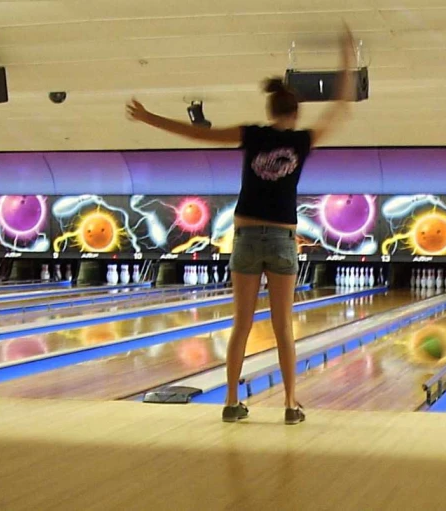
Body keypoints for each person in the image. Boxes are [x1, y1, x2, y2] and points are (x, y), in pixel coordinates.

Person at [126, 25, 356, 425]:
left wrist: (149, 118)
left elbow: (198, 134)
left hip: (246, 235)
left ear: (270, 112)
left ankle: (231, 402)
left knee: (241, 325)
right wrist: (347, 60)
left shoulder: (251, 136)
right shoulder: (302, 142)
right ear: (294, 113)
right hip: (284, 239)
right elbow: (341, 108)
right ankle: (289, 404)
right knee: (283, 327)